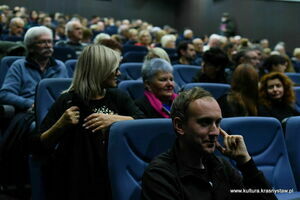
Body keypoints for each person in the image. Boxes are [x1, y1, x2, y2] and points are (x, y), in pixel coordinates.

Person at [30, 44, 144, 200]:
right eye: (114, 69)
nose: (119, 73)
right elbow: (37, 145)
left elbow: (142, 122)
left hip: (112, 169)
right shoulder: (68, 100)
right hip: (76, 173)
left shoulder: (118, 96)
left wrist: (114, 119)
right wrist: (60, 125)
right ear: (100, 71)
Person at [141, 87, 277, 200]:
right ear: (180, 126)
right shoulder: (159, 176)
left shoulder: (222, 167)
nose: (215, 132)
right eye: (205, 122)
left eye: (217, 123)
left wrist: (245, 163)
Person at [0, 26, 68, 111]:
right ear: (31, 48)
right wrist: (29, 103)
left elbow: (67, 94)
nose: (48, 46)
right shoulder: (19, 66)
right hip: (28, 112)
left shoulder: (60, 66)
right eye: (42, 42)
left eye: (50, 42)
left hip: (54, 112)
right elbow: (5, 94)